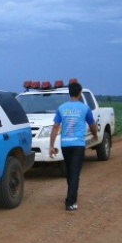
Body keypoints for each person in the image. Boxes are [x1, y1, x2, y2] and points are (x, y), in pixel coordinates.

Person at [48, 81, 98, 211]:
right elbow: (92, 125)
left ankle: (71, 195)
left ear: (69, 93)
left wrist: (51, 146)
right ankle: (70, 202)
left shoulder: (62, 108)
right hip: (78, 145)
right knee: (75, 173)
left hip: (65, 144)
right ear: (80, 93)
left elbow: (55, 127)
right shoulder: (85, 108)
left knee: (70, 172)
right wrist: (95, 135)